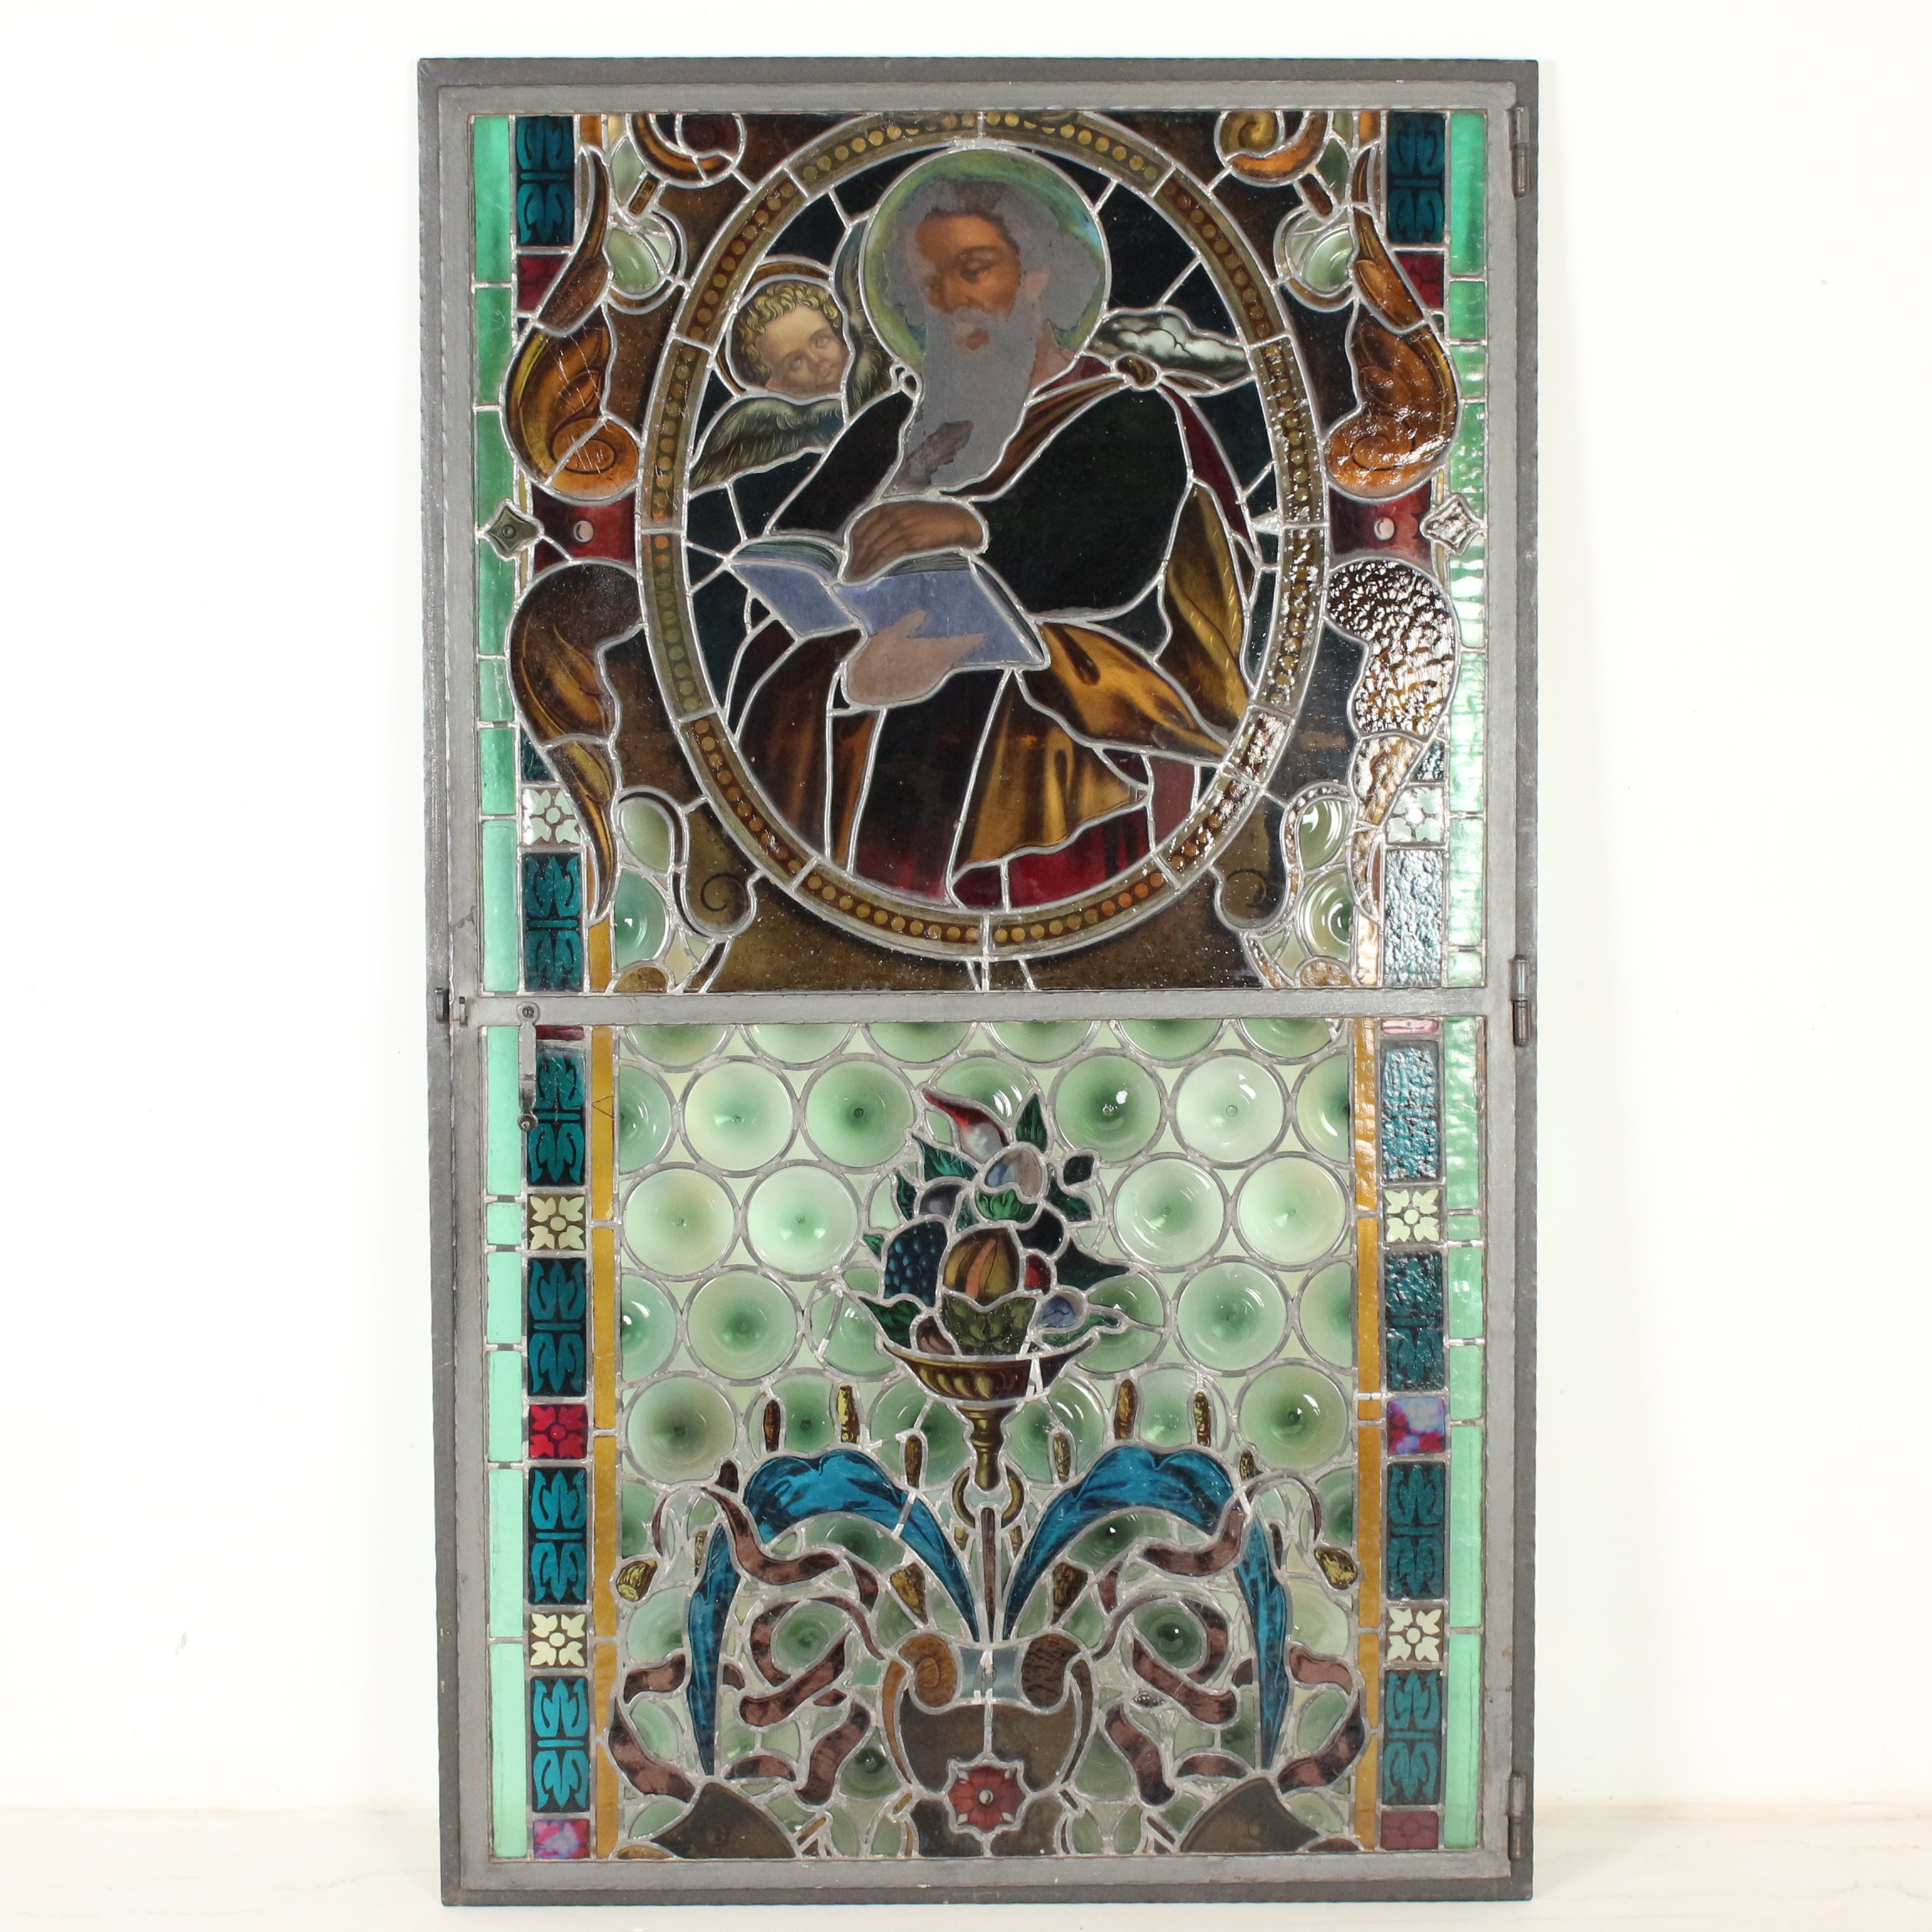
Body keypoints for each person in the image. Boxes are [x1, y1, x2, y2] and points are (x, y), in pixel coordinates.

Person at [727, 149, 1258, 911]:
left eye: (974, 269)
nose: (950, 302)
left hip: (1039, 774)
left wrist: (968, 525)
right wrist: (845, 679)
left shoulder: (1125, 413)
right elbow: (793, 565)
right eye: (927, 285)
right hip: (861, 746)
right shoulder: (887, 428)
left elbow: (1106, 559)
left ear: (1038, 274)